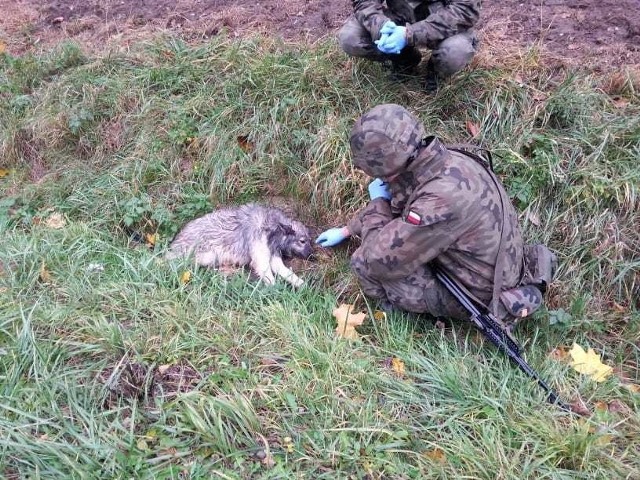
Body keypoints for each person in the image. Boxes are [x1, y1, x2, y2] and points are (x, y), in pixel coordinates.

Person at [316, 104, 552, 326]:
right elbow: (401, 200)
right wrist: (347, 230)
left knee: (362, 264)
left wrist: (377, 202)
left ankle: (400, 318)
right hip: (499, 268)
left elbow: (378, 261)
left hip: (479, 293)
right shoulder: (446, 159)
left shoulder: (439, 200)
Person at [337, 0, 481, 91]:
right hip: (401, 18)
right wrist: (380, 24)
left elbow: (464, 11)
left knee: (455, 52)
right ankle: (405, 60)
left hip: (447, 26)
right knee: (351, 38)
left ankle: (435, 72)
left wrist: (410, 34)